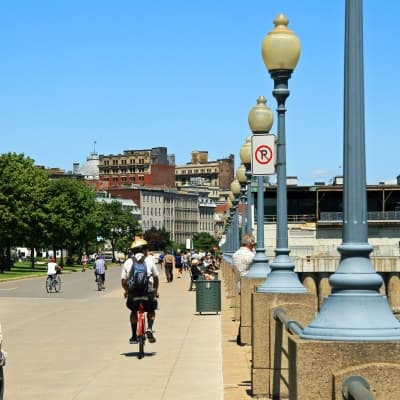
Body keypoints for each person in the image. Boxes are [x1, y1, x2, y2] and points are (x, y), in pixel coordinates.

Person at [121, 238, 159, 344]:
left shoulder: (128, 262)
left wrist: (127, 291)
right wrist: (155, 291)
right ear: (144, 250)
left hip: (133, 293)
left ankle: (133, 336)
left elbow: (123, 281)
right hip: (148, 292)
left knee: (133, 311)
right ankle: (149, 329)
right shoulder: (150, 261)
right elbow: (156, 278)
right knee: (151, 309)